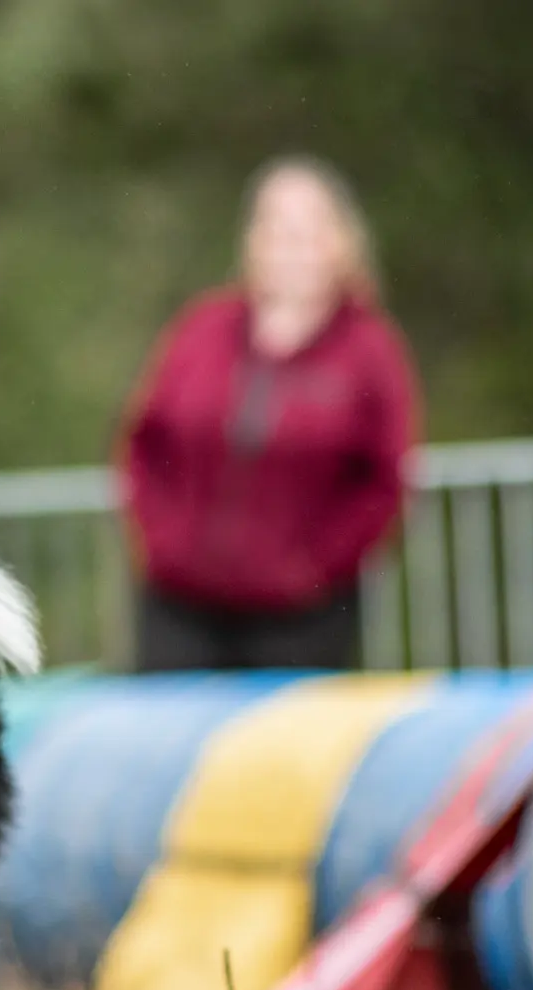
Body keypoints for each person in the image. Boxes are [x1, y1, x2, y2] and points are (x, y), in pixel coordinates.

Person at [117, 155, 421, 672]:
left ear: (341, 241)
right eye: (274, 225)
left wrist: (315, 570)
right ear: (252, 239)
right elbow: (146, 442)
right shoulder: (202, 328)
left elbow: (383, 480)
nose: (289, 243)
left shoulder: (369, 349)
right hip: (179, 608)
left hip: (303, 620)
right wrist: (160, 544)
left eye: (305, 227)